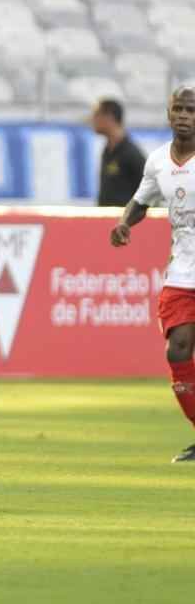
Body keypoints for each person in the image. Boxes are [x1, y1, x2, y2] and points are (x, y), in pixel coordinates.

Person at [112, 86, 195, 462]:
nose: (183, 116)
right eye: (178, 108)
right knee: (177, 349)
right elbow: (142, 200)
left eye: (190, 110)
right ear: (168, 113)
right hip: (182, 271)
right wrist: (124, 222)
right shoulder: (159, 160)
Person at [93, 98, 147, 207]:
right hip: (106, 220)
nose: (92, 119)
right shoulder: (107, 150)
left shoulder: (132, 154)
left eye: (96, 115)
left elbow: (149, 193)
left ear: (109, 117)